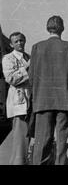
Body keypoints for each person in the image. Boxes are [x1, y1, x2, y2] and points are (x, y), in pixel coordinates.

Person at [29, 16, 68, 165]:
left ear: (47, 28)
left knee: (42, 141)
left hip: (42, 101)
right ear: (62, 28)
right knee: (63, 141)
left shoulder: (37, 47)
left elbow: (31, 77)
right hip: (65, 101)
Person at [1, 32, 31, 165]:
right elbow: (11, 79)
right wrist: (28, 67)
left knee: (26, 138)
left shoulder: (28, 57)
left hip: (31, 101)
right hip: (19, 102)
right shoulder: (8, 58)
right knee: (20, 137)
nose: (20, 43)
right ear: (11, 44)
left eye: (22, 40)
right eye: (17, 41)